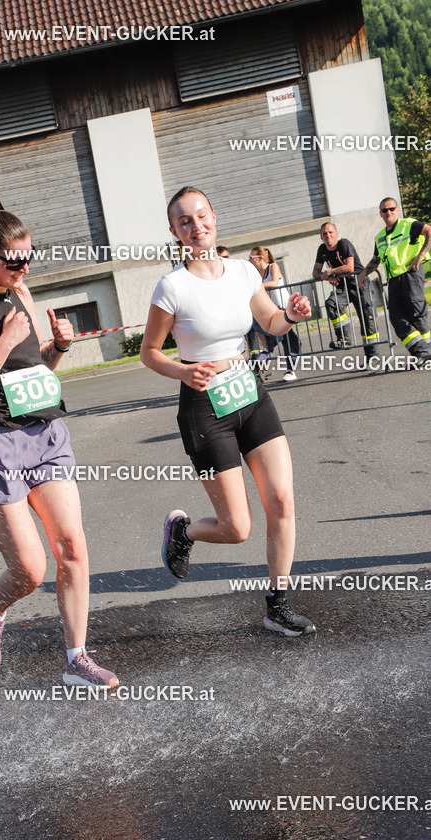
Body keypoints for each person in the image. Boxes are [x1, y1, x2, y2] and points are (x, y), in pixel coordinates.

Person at [0, 196, 118, 688]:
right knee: (31, 569)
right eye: (11, 261)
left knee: (73, 550)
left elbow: (33, 367)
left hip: (42, 431)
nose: (22, 268)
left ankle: (76, 660)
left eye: (28, 258)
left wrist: (57, 346)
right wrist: (1, 340)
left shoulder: (23, 292)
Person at [140, 187, 316, 637]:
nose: (196, 226)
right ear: (175, 232)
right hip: (204, 407)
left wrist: (291, 315)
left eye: (201, 216)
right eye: (184, 221)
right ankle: (184, 531)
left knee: (282, 500)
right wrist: (183, 371)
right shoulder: (172, 286)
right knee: (237, 528)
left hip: (248, 391)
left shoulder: (242, 271)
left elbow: (271, 322)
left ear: (214, 217)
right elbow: (150, 353)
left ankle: (277, 606)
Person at [358, 198, 431, 360]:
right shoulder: (380, 237)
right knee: (397, 317)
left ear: (397, 210)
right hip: (394, 281)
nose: (388, 212)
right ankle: (422, 352)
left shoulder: (409, 224)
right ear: (380, 214)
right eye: (385, 210)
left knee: (415, 314)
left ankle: (426, 351)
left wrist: (420, 256)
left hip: (411, 275)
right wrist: (363, 274)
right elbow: (376, 260)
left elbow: (430, 232)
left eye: (391, 209)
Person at [312, 222, 378, 359]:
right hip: (343, 287)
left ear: (336, 233)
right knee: (332, 303)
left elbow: (349, 267)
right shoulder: (322, 249)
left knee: (368, 322)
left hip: (359, 284)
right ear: (321, 236)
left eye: (330, 232)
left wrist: (330, 272)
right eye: (324, 233)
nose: (328, 235)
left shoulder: (344, 244)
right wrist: (327, 276)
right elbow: (315, 272)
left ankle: (373, 358)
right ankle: (345, 339)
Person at [248, 246, 301, 383]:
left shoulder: (273, 267)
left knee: (289, 340)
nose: (249, 260)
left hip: (284, 308)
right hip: (272, 310)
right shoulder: (257, 274)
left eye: (251, 258)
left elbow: (274, 282)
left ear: (260, 258)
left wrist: (256, 287)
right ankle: (266, 354)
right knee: (280, 338)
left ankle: (285, 367)